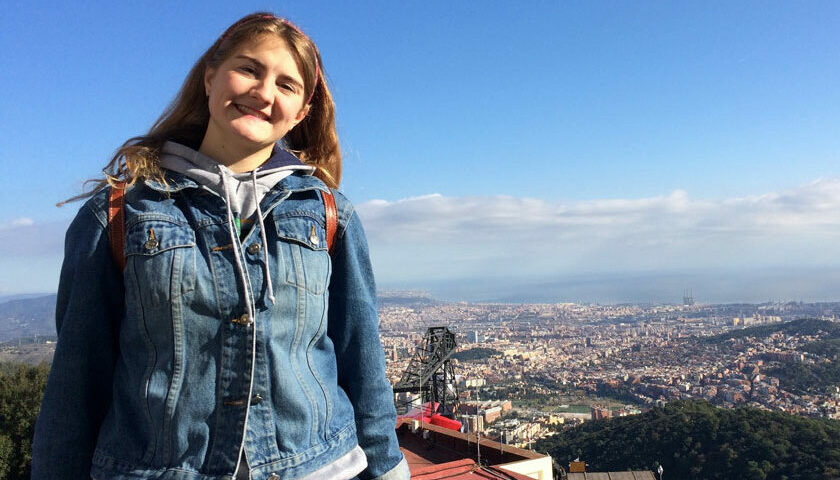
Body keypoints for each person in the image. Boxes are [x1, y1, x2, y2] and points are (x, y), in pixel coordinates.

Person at [32, 12, 409, 480]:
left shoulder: (328, 213)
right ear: (210, 77)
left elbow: (362, 360)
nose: (263, 92)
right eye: (249, 69)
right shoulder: (119, 212)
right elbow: (76, 379)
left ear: (301, 112)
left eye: (286, 85)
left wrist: (387, 467)